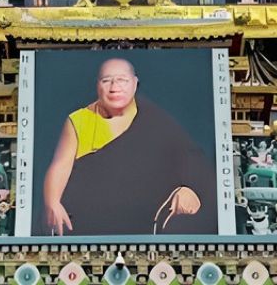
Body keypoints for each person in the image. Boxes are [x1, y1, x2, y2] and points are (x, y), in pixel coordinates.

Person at [41, 58, 214, 236]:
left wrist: (190, 189)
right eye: (106, 80)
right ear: (97, 85)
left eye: (122, 80)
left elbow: (190, 158)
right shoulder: (80, 120)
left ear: (134, 83)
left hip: (142, 225)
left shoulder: (154, 119)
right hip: (87, 226)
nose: (114, 87)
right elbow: (60, 165)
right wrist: (52, 201)